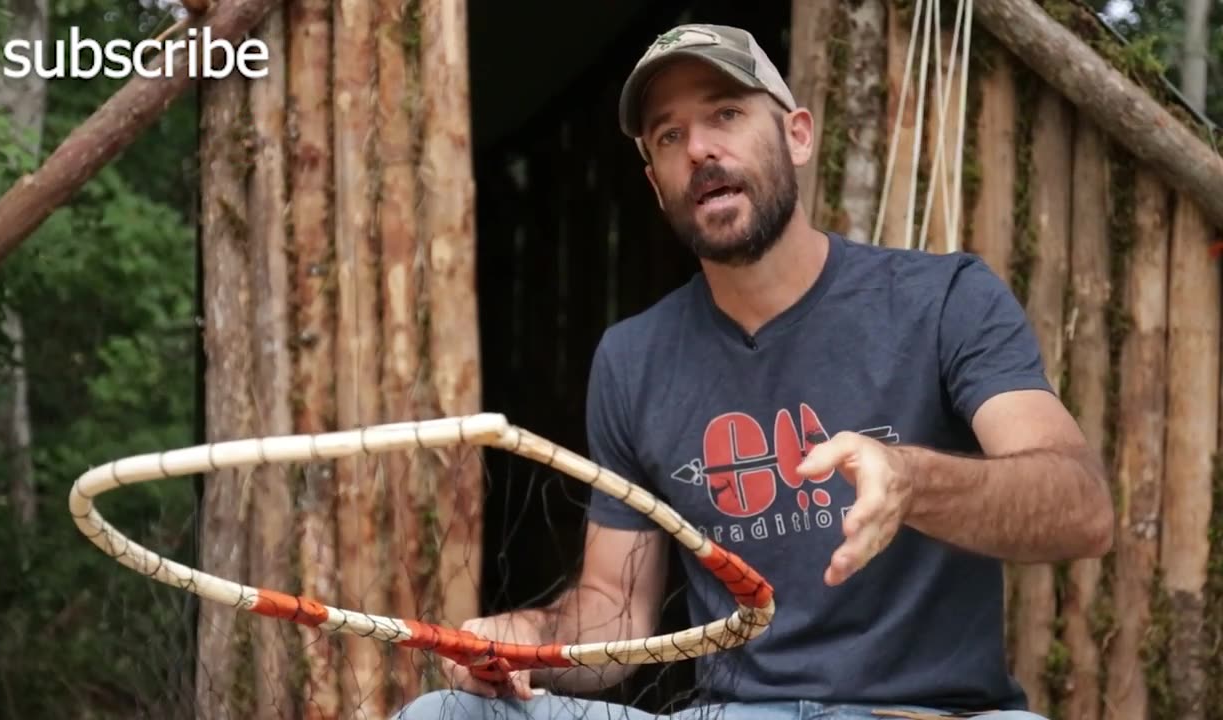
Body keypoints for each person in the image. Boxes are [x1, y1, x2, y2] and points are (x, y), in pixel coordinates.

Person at [394, 22, 1113, 720]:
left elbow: (1080, 510)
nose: (700, 149)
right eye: (669, 136)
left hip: (928, 712)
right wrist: (529, 641)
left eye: (727, 114)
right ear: (655, 183)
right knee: (444, 712)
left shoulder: (944, 298)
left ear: (797, 135)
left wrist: (911, 481)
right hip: (735, 713)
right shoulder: (631, 357)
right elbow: (616, 611)